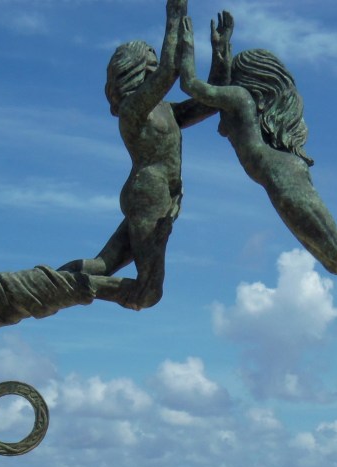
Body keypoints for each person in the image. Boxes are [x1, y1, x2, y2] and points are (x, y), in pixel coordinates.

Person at [177, 16, 337, 284]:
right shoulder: (239, 103)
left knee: (336, 252)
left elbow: (190, 85)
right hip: (280, 173)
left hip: (281, 173)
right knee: (334, 257)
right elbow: (216, 87)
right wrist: (220, 49)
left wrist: (184, 43)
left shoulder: (240, 99)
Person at [59, 2, 233, 311]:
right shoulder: (132, 109)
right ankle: (77, 287)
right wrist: (175, 16)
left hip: (157, 195)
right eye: (150, 55)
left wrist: (221, 52)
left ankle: (49, 281)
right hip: (148, 194)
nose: (156, 57)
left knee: (101, 265)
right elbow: (169, 71)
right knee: (149, 291)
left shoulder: (166, 110)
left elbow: (209, 101)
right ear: (133, 66)